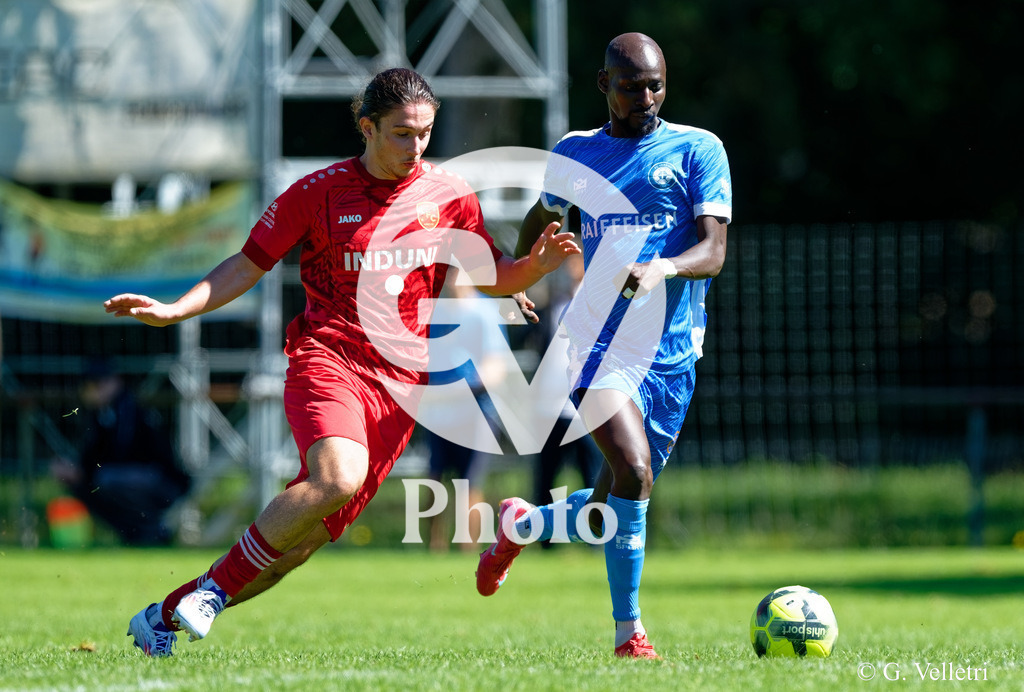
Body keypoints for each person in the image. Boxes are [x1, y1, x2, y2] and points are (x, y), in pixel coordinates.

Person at [110, 67, 580, 657]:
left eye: (425, 134)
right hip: (327, 358)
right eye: (402, 134)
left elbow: (494, 273)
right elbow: (246, 263)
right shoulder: (319, 192)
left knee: (291, 553)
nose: (416, 148)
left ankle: (164, 617)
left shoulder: (450, 196)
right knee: (336, 476)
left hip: (400, 389)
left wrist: (534, 267)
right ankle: (211, 593)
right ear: (367, 127)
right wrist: (178, 309)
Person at [475, 33, 732, 659]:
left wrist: (664, 269)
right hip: (595, 343)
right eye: (630, 85)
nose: (644, 97)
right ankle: (629, 635)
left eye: (655, 85)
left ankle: (522, 524)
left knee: (612, 503)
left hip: (672, 354)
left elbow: (714, 251)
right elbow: (543, 219)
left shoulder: (698, 148)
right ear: (603, 85)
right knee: (635, 473)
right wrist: (517, 279)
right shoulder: (576, 155)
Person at [50, 359, 189, 546]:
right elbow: (95, 455)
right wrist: (77, 470)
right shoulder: (101, 413)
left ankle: (152, 530)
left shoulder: (129, 409)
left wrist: (84, 470)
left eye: (98, 384)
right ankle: (133, 533)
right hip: (130, 478)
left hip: (163, 482)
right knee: (88, 483)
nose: (93, 390)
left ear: (115, 382)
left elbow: (124, 454)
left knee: (106, 479)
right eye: (90, 385)